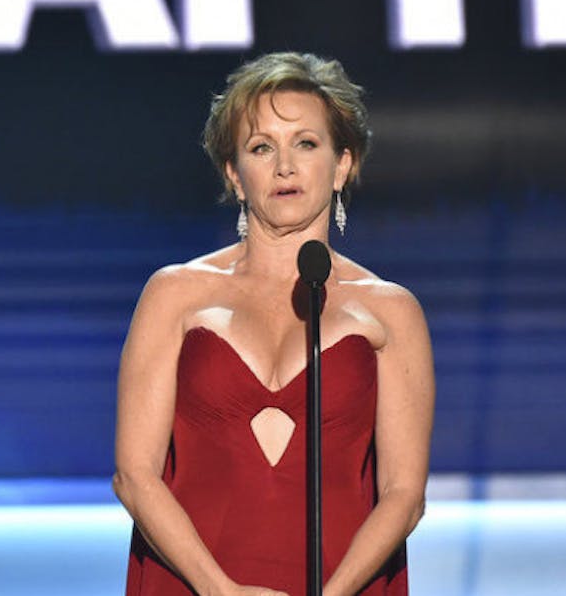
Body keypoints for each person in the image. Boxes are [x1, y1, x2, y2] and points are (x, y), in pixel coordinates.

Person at [113, 53, 433, 596]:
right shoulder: (174, 294)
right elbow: (135, 475)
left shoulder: (390, 311)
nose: (285, 166)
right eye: (262, 147)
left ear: (341, 166)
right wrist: (222, 592)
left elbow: (403, 493)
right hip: (195, 584)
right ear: (236, 176)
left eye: (305, 144)